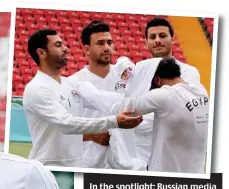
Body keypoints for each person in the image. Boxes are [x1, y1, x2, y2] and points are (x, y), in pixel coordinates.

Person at [23, 29, 143, 167]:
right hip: (49, 167)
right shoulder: (37, 88)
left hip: (76, 165)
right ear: (41, 52)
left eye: (63, 44)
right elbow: (66, 123)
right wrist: (114, 121)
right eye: (58, 45)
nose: (65, 48)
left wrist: (137, 95)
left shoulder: (72, 84)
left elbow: (105, 100)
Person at [76, 57, 209, 173]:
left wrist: (83, 88)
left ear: (157, 80)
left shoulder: (165, 95)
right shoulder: (201, 91)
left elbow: (123, 107)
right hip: (195, 171)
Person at [127, 17, 202, 165]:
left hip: (171, 150)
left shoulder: (189, 72)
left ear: (172, 39)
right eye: (152, 37)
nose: (157, 40)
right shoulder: (139, 70)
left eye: (162, 36)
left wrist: (142, 119)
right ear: (146, 42)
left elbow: (182, 111)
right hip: (138, 151)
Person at [68, 20, 141, 169]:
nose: (107, 48)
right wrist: (92, 136)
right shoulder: (73, 83)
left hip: (125, 164)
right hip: (88, 163)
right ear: (87, 49)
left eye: (110, 42)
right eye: (100, 43)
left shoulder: (126, 75)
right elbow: (63, 128)